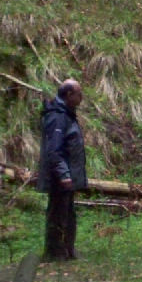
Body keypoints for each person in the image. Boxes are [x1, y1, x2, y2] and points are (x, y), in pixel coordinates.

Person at [36, 79, 87, 262]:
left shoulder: (67, 114)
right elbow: (54, 150)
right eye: (79, 94)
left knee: (68, 213)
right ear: (69, 95)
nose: (81, 97)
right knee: (57, 214)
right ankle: (55, 253)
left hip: (67, 177)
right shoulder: (57, 117)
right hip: (58, 178)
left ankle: (68, 249)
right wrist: (64, 174)